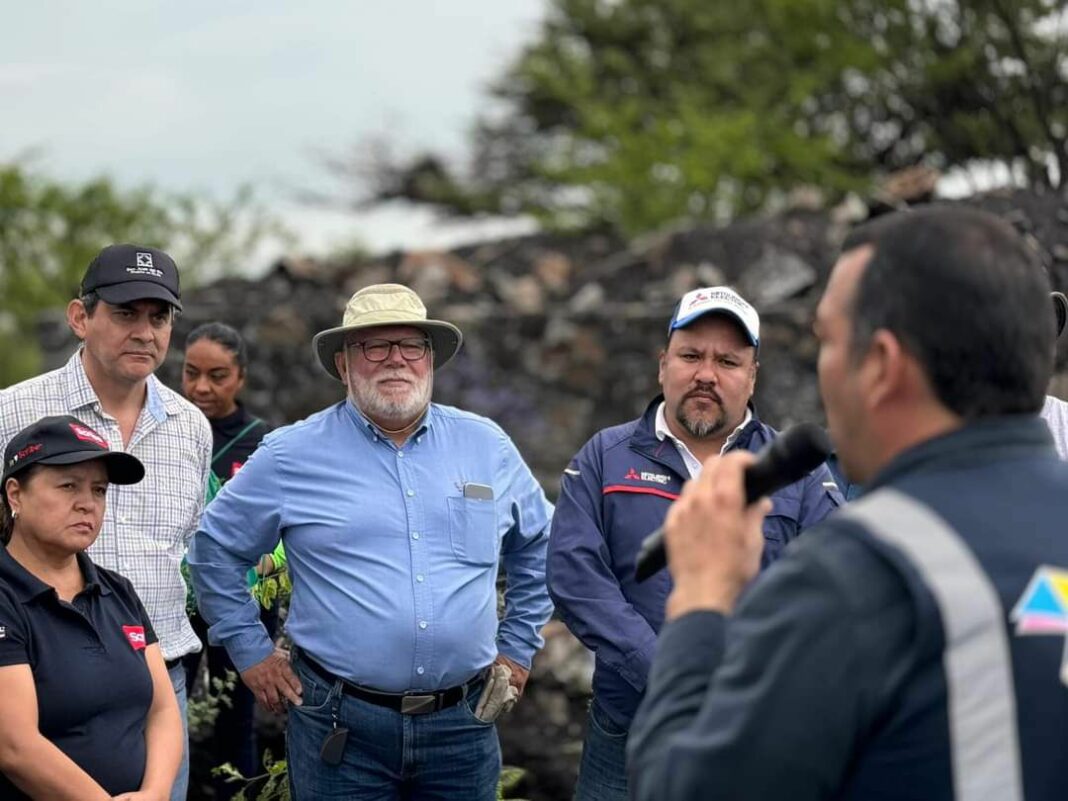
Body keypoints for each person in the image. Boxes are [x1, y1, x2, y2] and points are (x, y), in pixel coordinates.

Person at [627, 206, 1068, 800]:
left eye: (828, 341)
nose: (822, 372)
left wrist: (703, 596)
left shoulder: (858, 573)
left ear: (881, 367)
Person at [188, 283, 554, 800]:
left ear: (430, 359)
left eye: (411, 346)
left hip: (463, 728)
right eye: (373, 347)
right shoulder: (291, 455)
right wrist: (249, 651)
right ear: (343, 364)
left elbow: (540, 543)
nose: (395, 361)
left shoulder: (486, 445)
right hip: (340, 726)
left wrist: (517, 649)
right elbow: (213, 549)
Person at [547, 286, 843, 800]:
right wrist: (661, 668)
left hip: (756, 737)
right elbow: (574, 575)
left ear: (751, 378)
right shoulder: (605, 457)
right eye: (691, 355)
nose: (707, 373)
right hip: (627, 734)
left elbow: (835, 584)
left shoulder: (796, 471)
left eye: (728, 360)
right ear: (663, 365)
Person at [0, 244, 212, 801]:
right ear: (80, 317)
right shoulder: (12, 412)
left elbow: (191, 545)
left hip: (155, 682)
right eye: (125, 313)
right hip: (30, 676)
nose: (145, 331)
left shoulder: (191, 426)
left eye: (159, 316)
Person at [0, 415, 183, 800]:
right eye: (68, 486)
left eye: (98, 490)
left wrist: (155, 791)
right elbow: (15, 747)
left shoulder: (117, 591)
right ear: (15, 494)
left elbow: (163, 710)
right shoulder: (6, 598)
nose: (87, 504)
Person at [180, 322, 275, 799]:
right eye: (191, 373)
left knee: (233, 712)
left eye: (217, 376)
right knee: (166, 706)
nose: (201, 388)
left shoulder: (262, 443)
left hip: (243, 599)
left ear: (240, 377)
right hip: (174, 599)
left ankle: (236, 793)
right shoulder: (168, 432)